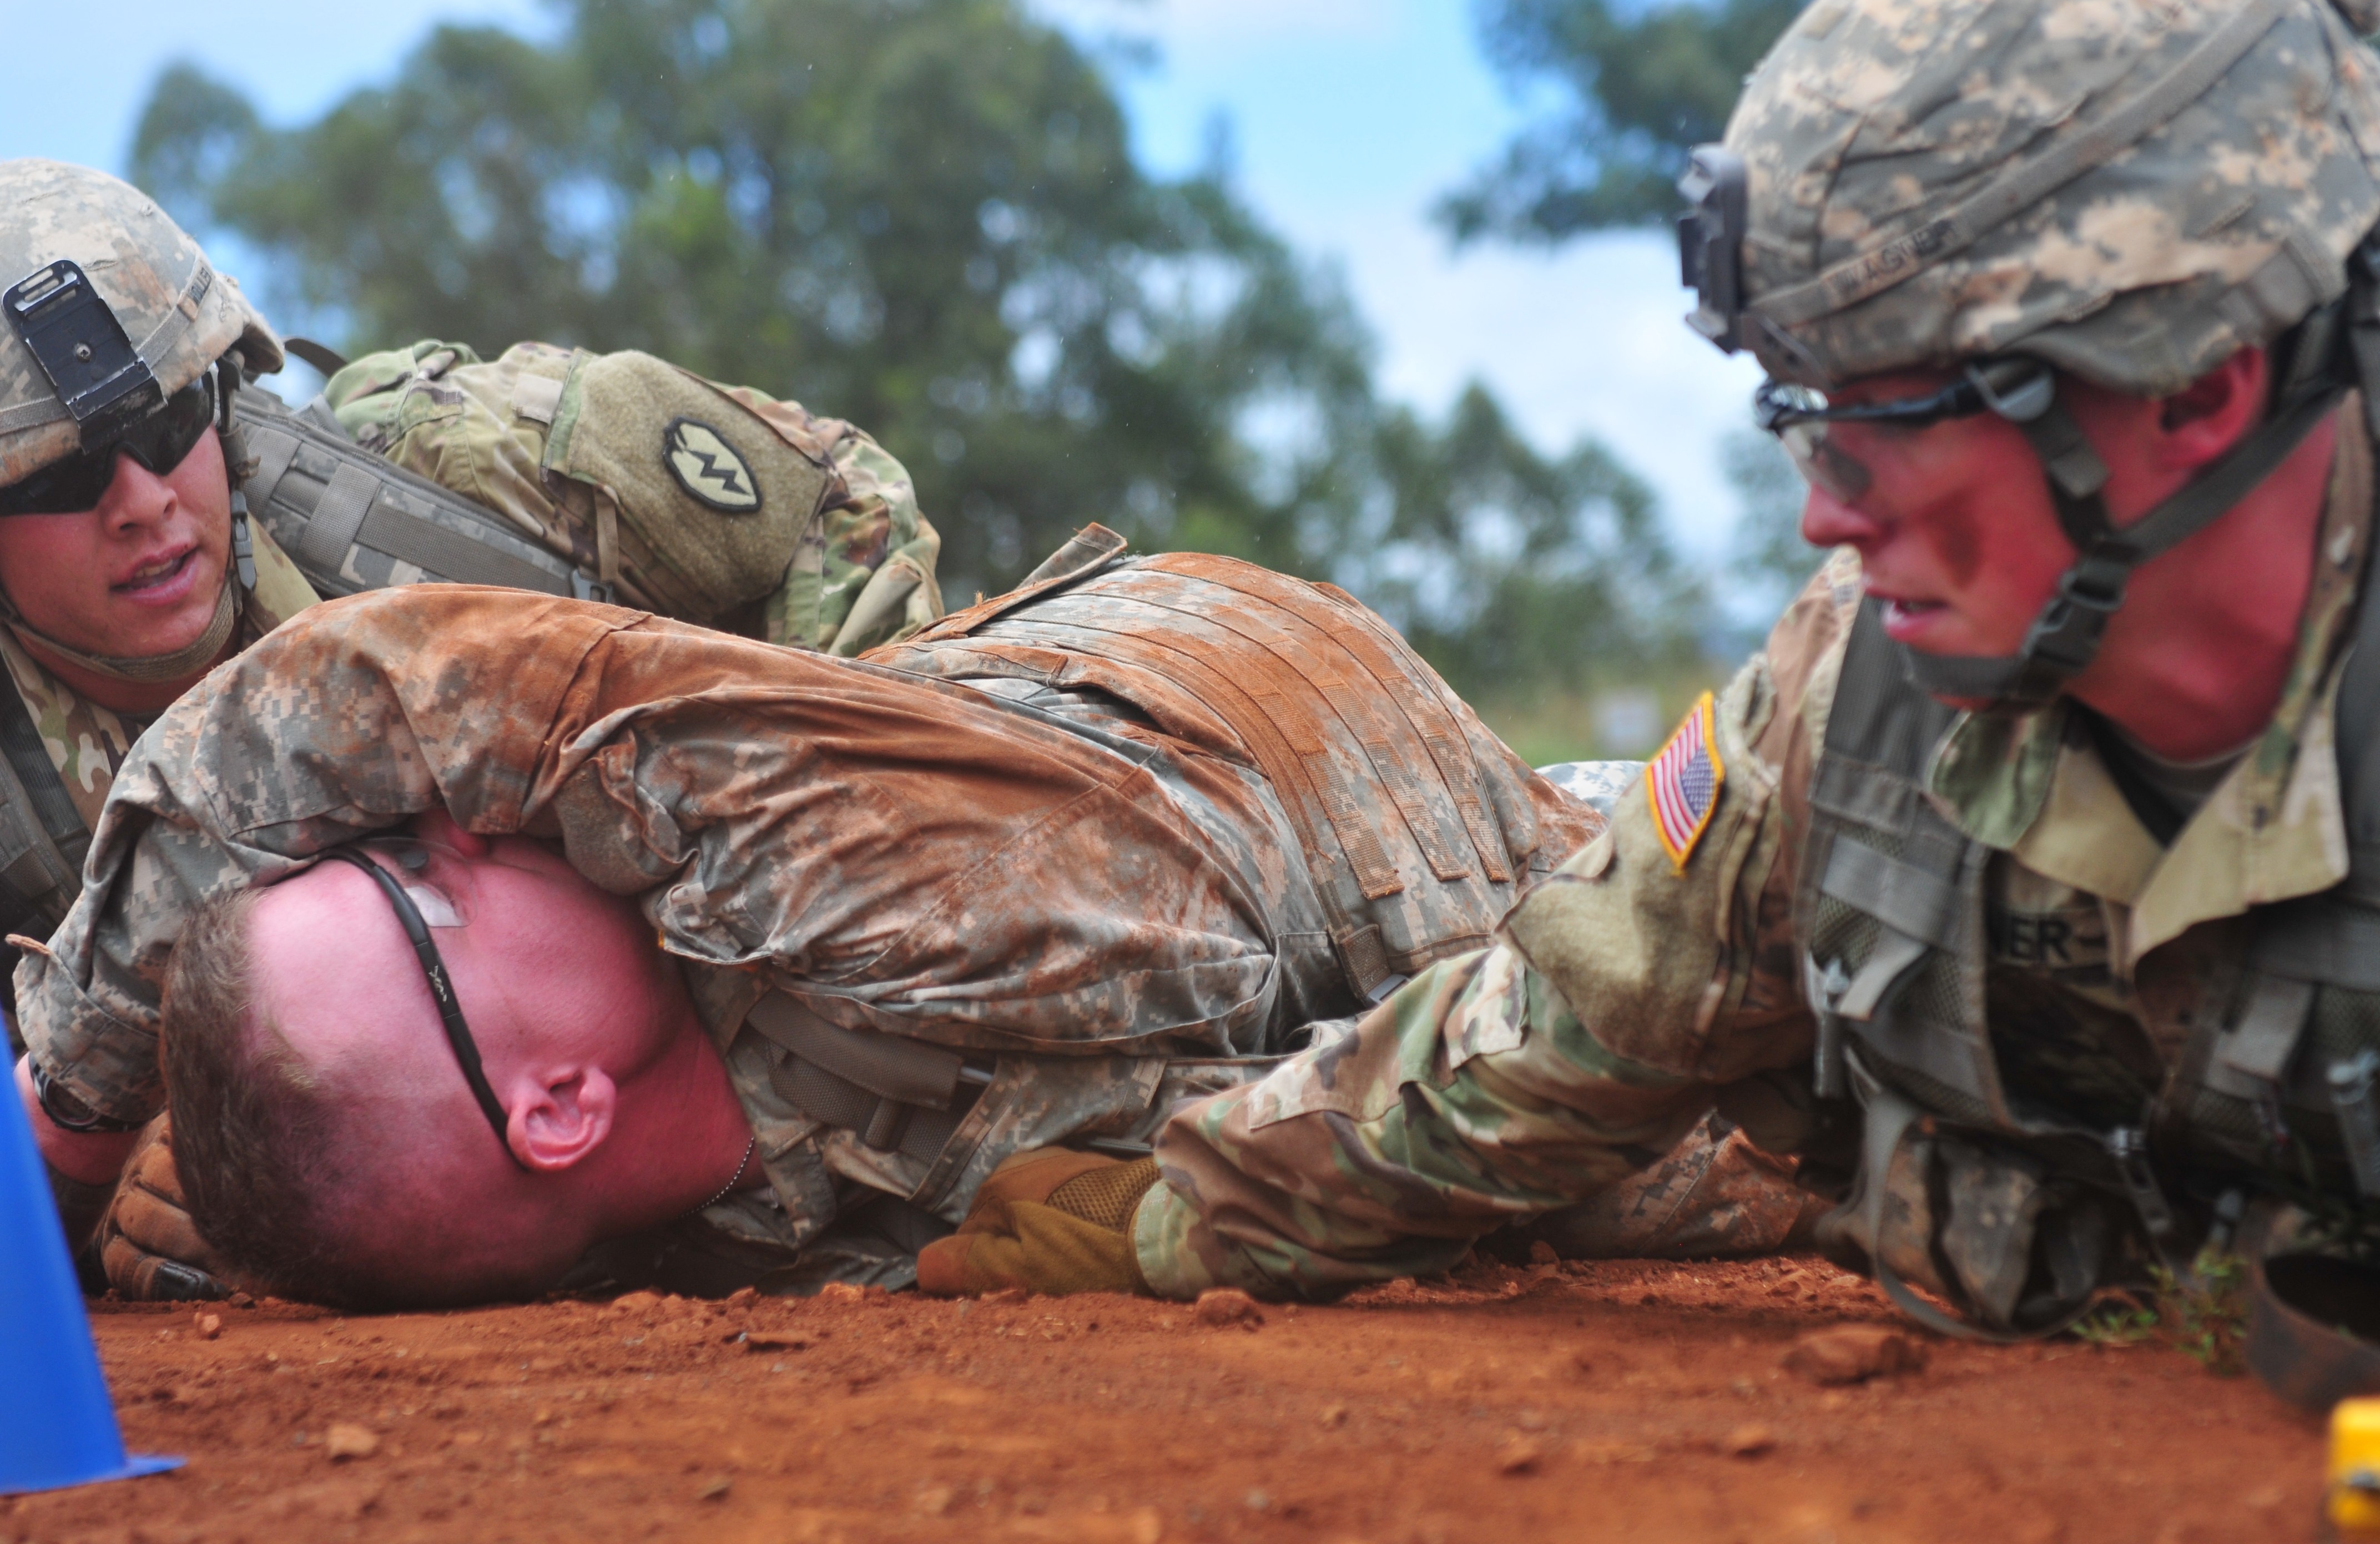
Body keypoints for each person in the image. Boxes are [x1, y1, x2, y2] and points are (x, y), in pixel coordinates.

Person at [915, 0, 2380, 1349]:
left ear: (2192, 385)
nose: (1825, 510)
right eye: (1809, 416)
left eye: (1893, 415)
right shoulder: (1850, 701)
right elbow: (1553, 1033)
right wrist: (1173, 1224)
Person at [12, 534, 1605, 1304]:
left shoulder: (803, 857)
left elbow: (329, 698)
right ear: (557, 1107)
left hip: (1312, 746)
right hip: (1350, 949)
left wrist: (63, 1138)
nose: (449, 814)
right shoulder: (676, 1259)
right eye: (421, 886)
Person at [0, 160, 943, 1289]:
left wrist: (813, 858)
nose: (143, 501)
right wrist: (178, 1158)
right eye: (60, 480)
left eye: (165, 429)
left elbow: (834, 502)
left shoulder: (442, 476)